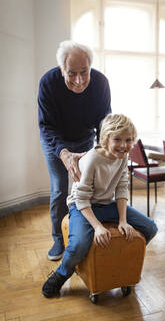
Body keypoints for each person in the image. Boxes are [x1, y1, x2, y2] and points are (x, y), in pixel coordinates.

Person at [42, 113, 158, 298]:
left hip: (106, 204)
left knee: (150, 228)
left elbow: (121, 188)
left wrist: (123, 220)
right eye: (117, 139)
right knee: (78, 244)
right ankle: (61, 273)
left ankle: (125, 261)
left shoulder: (122, 156)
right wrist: (97, 227)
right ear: (105, 139)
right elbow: (80, 198)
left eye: (128, 140)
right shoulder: (92, 159)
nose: (123, 145)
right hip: (82, 206)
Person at [38, 41, 111, 261]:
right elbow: (46, 126)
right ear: (62, 70)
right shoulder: (48, 83)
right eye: (72, 74)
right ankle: (58, 238)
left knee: (86, 188)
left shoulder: (101, 83)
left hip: (85, 138)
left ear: (90, 67)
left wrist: (103, 150)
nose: (79, 81)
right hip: (55, 142)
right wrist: (64, 153)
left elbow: (104, 122)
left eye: (84, 73)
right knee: (60, 190)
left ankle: (82, 233)